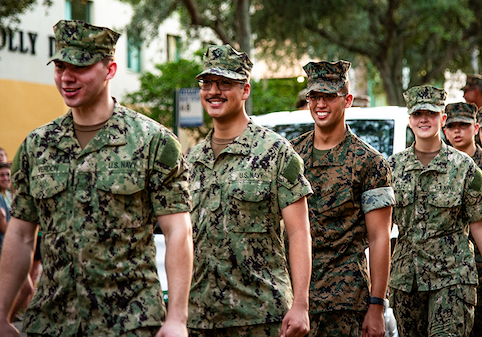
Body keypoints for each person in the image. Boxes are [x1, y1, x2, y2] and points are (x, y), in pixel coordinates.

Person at [0, 20, 193, 337]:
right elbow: (20, 235)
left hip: (130, 321)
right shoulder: (37, 145)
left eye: (80, 66)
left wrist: (177, 318)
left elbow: (178, 231)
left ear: (110, 70)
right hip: (52, 321)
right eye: (60, 65)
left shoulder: (154, 142)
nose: (66, 77)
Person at [186, 44, 313, 337]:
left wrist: (301, 304)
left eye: (225, 83)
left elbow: (298, 233)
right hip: (200, 318)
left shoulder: (276, 151)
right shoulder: (192, 159)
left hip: (261, 315)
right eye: (207, 83)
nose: (213, 91)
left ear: (245, 90)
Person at [291, 60, 394, 337]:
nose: (320, 104)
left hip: (347, 304)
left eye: (329, 96)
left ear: (347, 100)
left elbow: (379, 237)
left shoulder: (369, 162)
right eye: (314, 96)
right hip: (297, 298)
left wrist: (376, 306)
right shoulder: (291, 157)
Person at [389, 85, 482, 337]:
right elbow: (381, 229)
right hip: (406, 281)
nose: (423, 120)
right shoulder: (392, 168)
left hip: (452, 278)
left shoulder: (465, 168)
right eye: (418, 114)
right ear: (409, 120)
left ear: (442, 119)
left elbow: (478, 225)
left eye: (430, 114)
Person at [442, 102, 482, 337]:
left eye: (464, 126)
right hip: (452, 273)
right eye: (452, 126)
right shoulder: (440, 165)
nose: (457, 131)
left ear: (476, 127)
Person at [0, 163, 34, 321]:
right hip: (1, 249)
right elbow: (4, 228)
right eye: (1, 175)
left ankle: (2, 321)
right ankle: (2, 321)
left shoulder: (7, 195)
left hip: (6, 249)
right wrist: (24, 225)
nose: (6, 178)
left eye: (8, 174)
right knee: (26, 288)